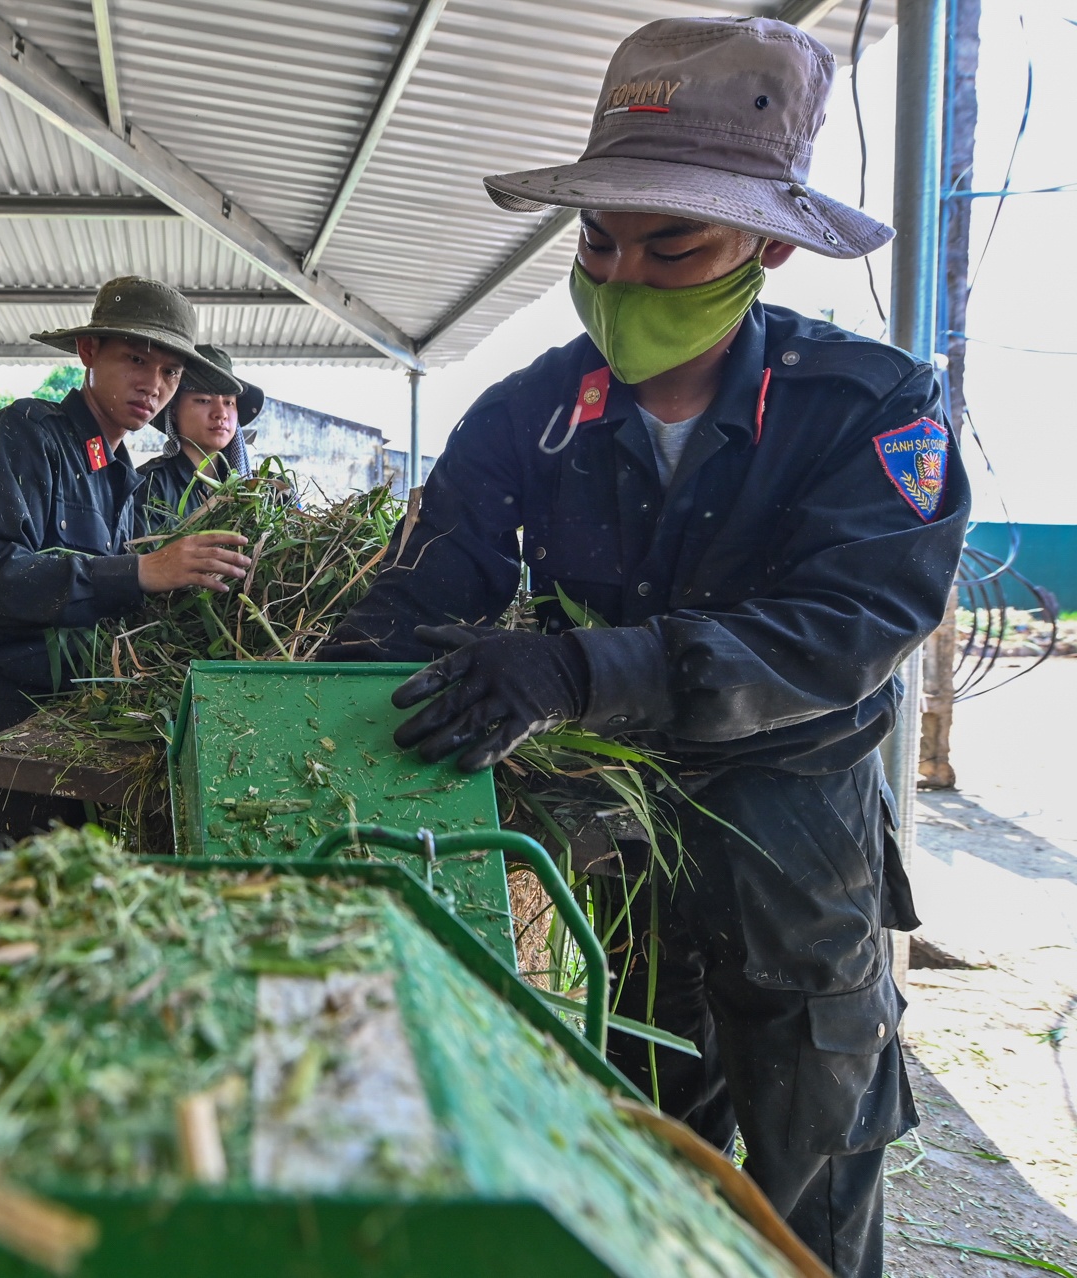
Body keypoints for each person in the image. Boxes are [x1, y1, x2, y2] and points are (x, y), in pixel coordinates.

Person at [320, 18, 967, 1277]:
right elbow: (413, 594)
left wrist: (578, 671)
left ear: (769, 246)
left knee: (813, 1174)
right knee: (637, 1159)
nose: (623, 279)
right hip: (608, 852)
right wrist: (342, 698)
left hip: (794, 851)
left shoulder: (870, 406)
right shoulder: (526, 414)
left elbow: (850, 626)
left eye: (673, 247)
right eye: (598, 242)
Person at [0, 276, 253, 849]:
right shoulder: (27, 434)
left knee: (73, 886)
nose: (153, 384)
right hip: (5, 715)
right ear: (88, 351)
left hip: (77, 713)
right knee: (7, 889)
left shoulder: (118, 473)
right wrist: (142, 571)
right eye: (136, 360)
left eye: (171, 373)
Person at [136, 344, 265, 528]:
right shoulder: (150, 485)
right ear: (174, 410)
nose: (221, 413)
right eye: (204, 400)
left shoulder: (254, 489)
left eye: (229, 402)